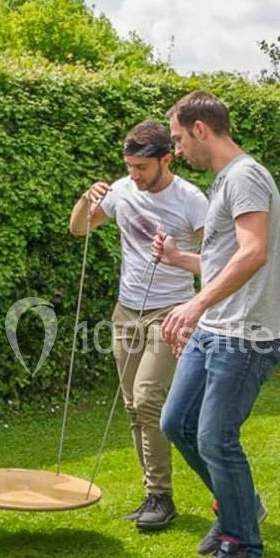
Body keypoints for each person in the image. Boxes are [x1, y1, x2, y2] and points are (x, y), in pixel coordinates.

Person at [154, 90, 280, 558]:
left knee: (216, 437)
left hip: (248, 331)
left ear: (200, 129)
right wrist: (181, 260)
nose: (177, 151)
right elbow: (226, 260)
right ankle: (240, 506)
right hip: (217, 326)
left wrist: (194, 303)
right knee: (177, 423)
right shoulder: (224, 182)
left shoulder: (246, 176)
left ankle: (243, 547)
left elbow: (254, 252)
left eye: (177, 139)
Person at [68, 120, 208, 531]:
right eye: (129, 166)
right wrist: (85, 199)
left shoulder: (191, 200)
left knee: (148, 398)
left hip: (171, 310)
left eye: (142, 167)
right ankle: (153, 495)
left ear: (167, 160)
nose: (134, 175)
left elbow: (217, 260)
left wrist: (179, 259)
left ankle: (162, 496)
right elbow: (80, 229)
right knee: (132, 407)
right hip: (126, 311)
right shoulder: (121, 190)